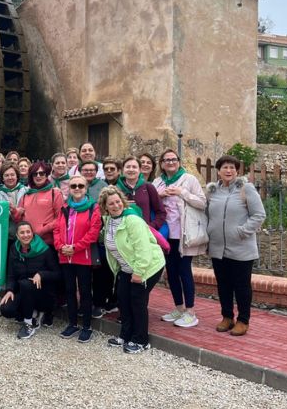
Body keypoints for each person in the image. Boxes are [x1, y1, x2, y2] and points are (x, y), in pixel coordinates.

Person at [99, 186, 165, 354]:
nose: (115, 205)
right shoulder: (108, 221)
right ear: (105, 206)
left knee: (137, 301)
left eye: (118, 201)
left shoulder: (133, 220)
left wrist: (139, 272)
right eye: (111, 203)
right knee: (123, 301)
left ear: (123, 201)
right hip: (125, 268)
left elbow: (143, 249)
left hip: (147, 266)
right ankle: (125, 335)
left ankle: (141, 340)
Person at [206, 155, 265, 336]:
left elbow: (259, 215)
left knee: (241, 286)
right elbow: (207, 214)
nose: (228, 171)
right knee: (223, 285)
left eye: (232, 167)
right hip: (217, 247)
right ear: (219, 171)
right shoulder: (213, 190)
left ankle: (243, 320)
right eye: (225, 167)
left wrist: (242, 231)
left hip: (241, 247)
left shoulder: (246, 189)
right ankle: (227, 317)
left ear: (237, 170)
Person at [153, 149, 208, 329]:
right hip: (166, 234)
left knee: (184, 271)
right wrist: (159, 195)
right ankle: (179, 308)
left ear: (178, 162)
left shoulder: (189, 180)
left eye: (173, 159)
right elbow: (152, 204)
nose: (170, 162)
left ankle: (190, 312)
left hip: (184, 235)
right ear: (161, 163)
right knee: (171, 272)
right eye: (166, 160)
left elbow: (202, 202)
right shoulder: (157, 182)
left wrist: (182, 193)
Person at [14, 160, 63, 327]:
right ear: (31, 176)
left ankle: (49, 311)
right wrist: (14, 212)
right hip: (29, 244)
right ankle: (34, 307)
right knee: (32, 278)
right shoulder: (26, 194)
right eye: (36, 174)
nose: (39, 176)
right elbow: (18, 219)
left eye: (42, 173)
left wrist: (42, 230)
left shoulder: (54, 193)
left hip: (46, 243)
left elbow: (60, 218)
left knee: (48, 279)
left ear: (47, 174)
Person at [54, 175, 103, 340]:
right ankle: (72, 323)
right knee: (69, 291)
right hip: (65, 256)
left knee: (84, 292)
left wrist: (75, 248)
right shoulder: (65, 207)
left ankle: (87, 326)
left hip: (83, 256)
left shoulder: (93, 208)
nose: (76, 189)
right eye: (73, 185)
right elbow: (56, 229)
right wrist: (60, 247)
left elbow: (93, 233)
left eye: (80, 186)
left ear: (86, 187)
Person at [0, 221, 60, 339]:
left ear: (33, 233)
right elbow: (11, 274)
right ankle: (31, 313)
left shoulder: (44, 250)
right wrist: (10, 290)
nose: (25, 235)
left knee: (26, 284)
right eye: (22, 233)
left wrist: (41, 274)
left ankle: (28, 323)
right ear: (17, 235)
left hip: (43, 293)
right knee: (6, 309)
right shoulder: (14, 249)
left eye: (28, 232)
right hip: (24, 290)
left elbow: (57, 274)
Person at [117, 156, 166, 230]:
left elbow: (161, 212)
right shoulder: (116, 189)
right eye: (128, 167)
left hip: (144, 232)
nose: (131, 169)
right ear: (123, 170)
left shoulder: (148, 187)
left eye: (134, 167)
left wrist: (152, 227)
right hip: (121, 231)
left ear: (139, 170)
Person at [0, 163, 26, 244]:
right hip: (7, 235)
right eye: (6, 175)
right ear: (2, 178)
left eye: (12, 175)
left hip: (25, 234)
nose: (10, 177)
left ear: (17, 176)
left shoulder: (26, 191)